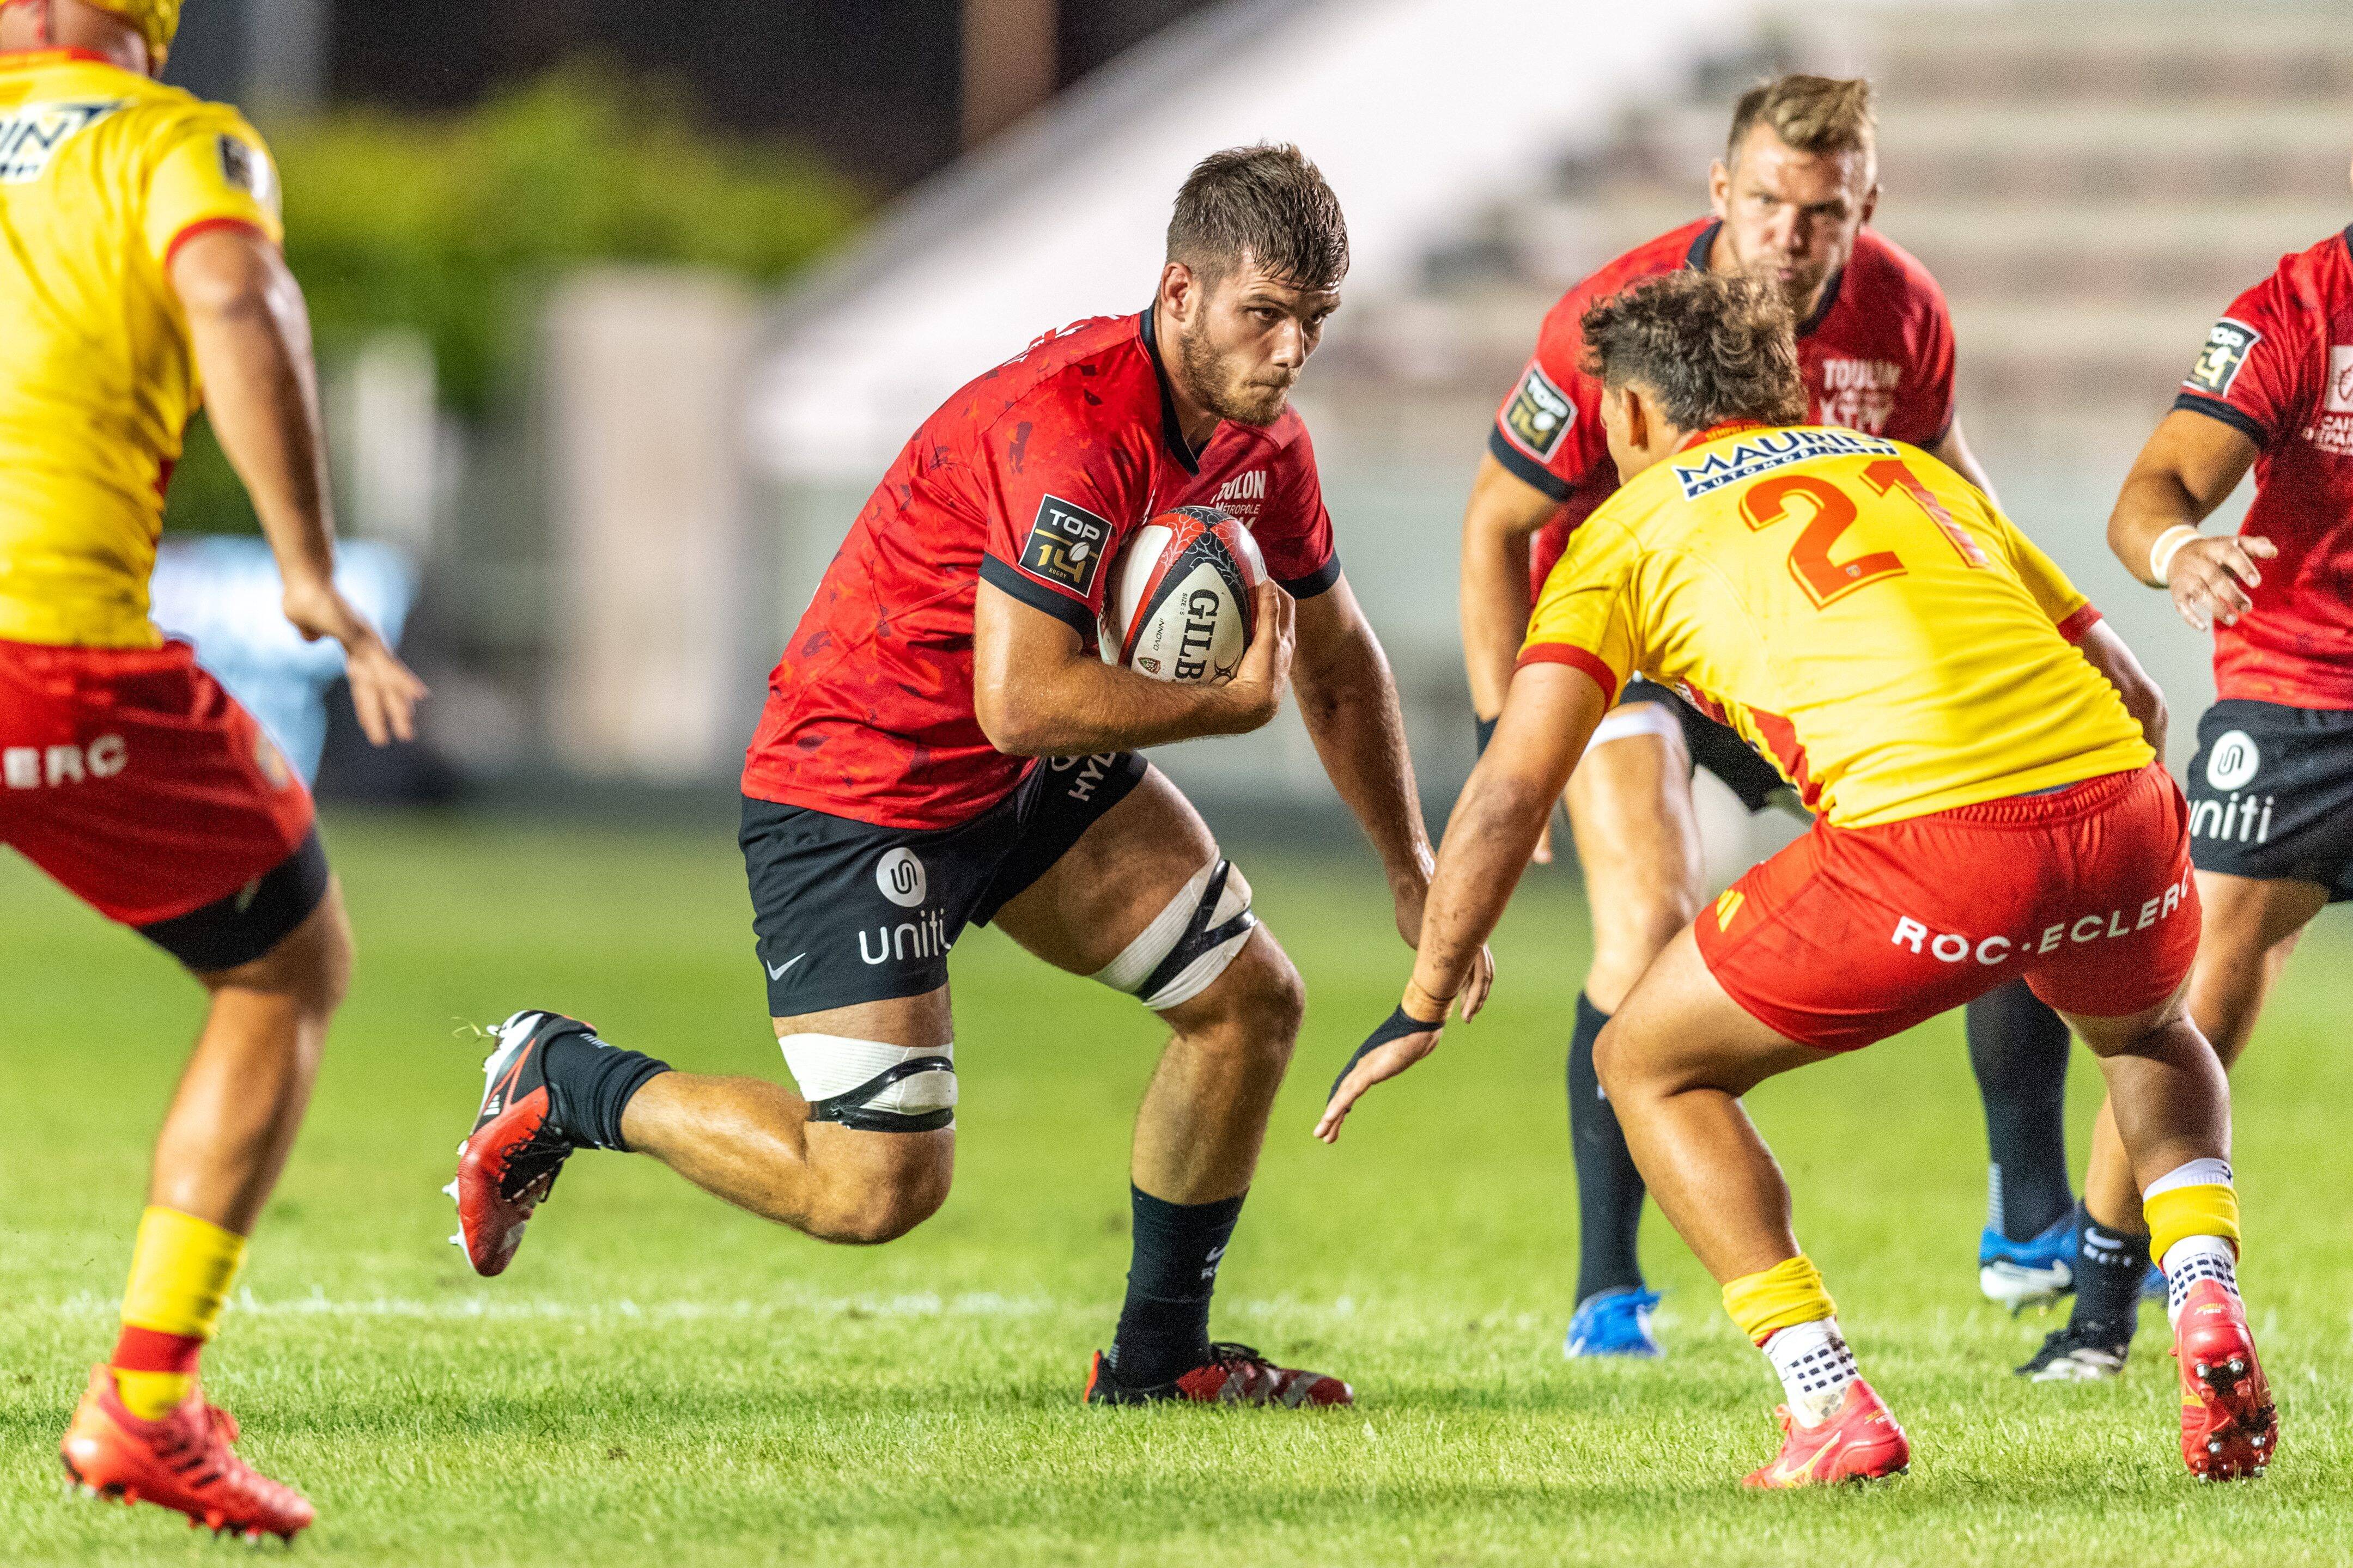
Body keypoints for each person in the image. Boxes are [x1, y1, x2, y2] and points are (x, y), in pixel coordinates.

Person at [449, 144, 1483, 1407]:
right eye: (1263, 314)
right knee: (876, 1191)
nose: (1289, 352)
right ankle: (566, 1078)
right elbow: (1024, 697)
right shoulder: (1076, 425)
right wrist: (1221, 710)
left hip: (1022, 779)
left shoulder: (1264, 447)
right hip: (859, 785)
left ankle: (1159, 1362)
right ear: (1180, 292)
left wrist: (1410, 866)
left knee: (1249, 1003)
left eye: (1313, 322)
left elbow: (1337, 660)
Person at [1322, 271, 2272, 1486]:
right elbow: (2132, 688)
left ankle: (1827, 1402)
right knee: (2145, 1035)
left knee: (1644, 1062)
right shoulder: (1911, 471)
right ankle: (2202, 1293)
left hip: (1933, 847)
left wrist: (1423, 998)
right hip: (2123, 807)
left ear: (1632, 413)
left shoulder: (1623, 532)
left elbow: (1512, 788)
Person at [1459, 75, 2094, 1353]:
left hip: (1796, 653)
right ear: (1719, 189)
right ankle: (1607, 1291)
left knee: (2002, 834)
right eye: (1765, 204)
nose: (1790, 238)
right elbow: (1497, 523)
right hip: (1636, 643)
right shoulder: (1611, 319)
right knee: (1643, 926)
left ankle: (2027, 1216)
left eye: (1823, 214)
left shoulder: (1903, 310)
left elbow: (1938, 472)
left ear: (1867, 205)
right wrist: (1503, 748)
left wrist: (2059, 624)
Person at [0, 0, 427, 1540]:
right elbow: (240, 299)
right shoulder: (178, 143)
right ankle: (146, 1402)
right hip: (46, 645)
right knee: (285, 967)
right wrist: (307, 567)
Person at [2022, 178, 2353, 1381]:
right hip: (2302, 690)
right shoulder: (2299, 309)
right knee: (2192, 999)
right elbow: (2152, 491)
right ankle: (2101, 1314)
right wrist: (2181, 551)